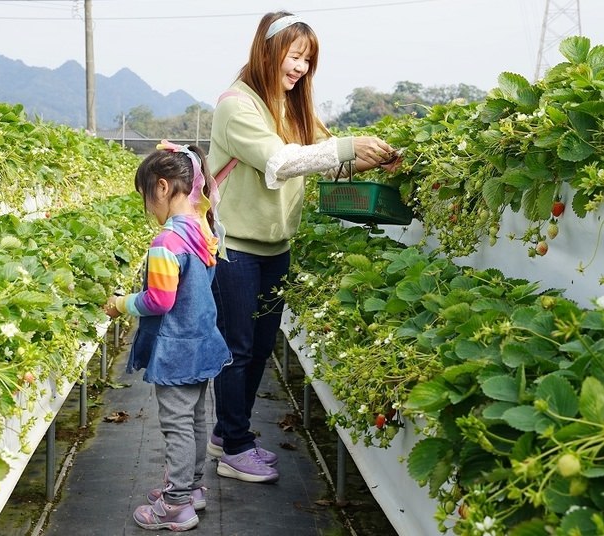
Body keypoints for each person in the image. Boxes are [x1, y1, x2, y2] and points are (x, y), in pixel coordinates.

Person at [206, 11, 402, 484]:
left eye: (307, 61)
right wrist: (348, 147)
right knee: (236, 347)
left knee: (259, 345)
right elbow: (281, 161)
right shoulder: (238, 105)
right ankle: (233, 448)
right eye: (295, 56)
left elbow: (323, 156)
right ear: (269, 51)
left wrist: (374, 160)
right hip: (235, 246)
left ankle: (229, 433)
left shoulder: (292, 105)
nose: (300, 69)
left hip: (276, 245)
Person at [105, 141, 231, 531]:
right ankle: (191, 489)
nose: (148, 207)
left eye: (147, 196)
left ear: (162, 187)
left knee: (176, 426)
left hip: (176, 348)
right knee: (194, 420)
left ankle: (176, 505)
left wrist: (122, 303)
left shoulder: (166, 243)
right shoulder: (205, 230)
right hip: (202, 342)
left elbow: (159, 301)